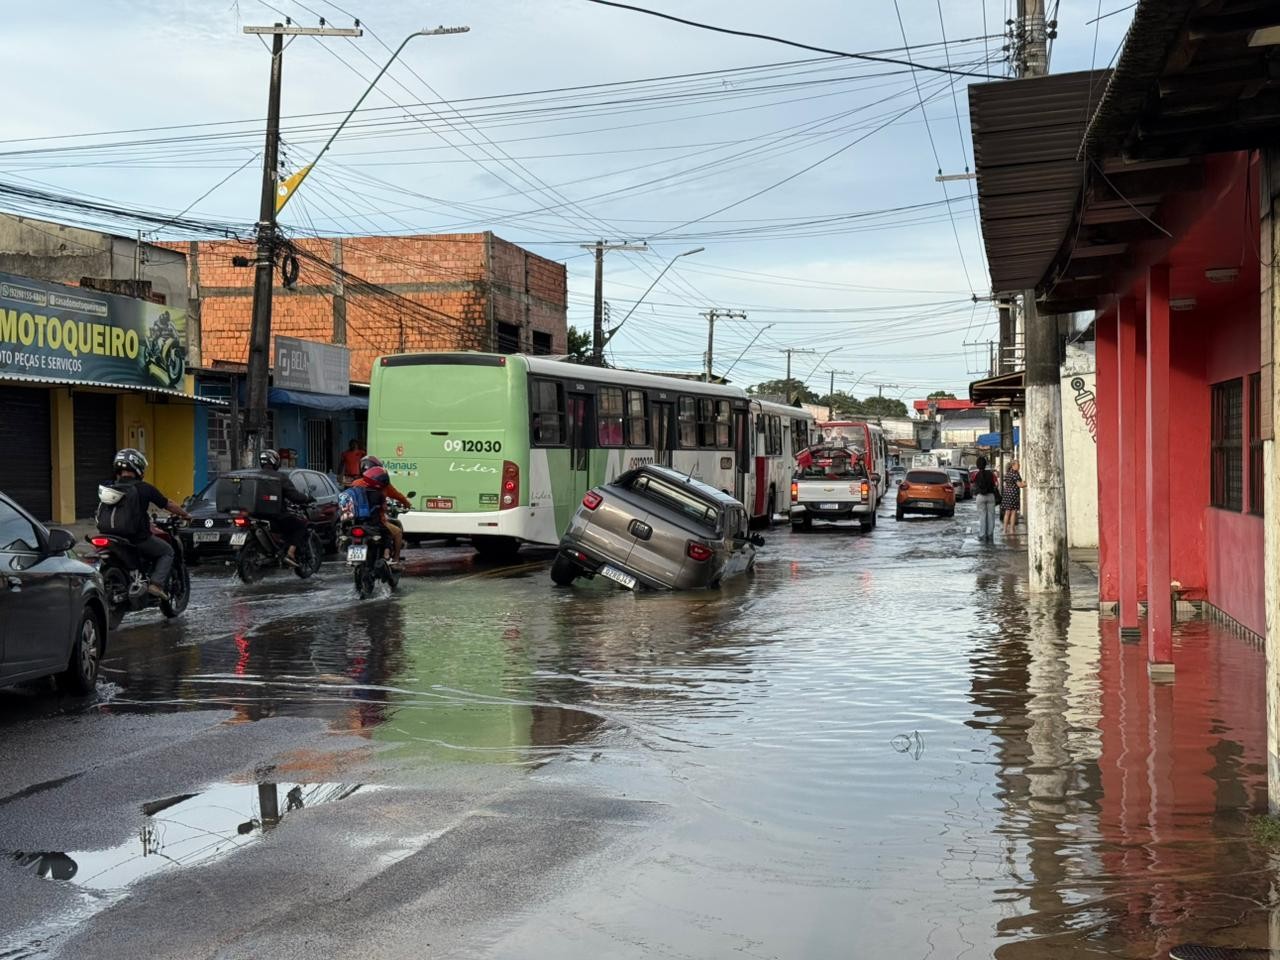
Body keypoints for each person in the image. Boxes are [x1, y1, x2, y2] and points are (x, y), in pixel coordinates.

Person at [98, 448, 193, 598]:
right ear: (138, 468)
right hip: (136, 538)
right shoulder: (144, 488)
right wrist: (185, 514)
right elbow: (167, 504)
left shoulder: (109, 487)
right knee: (167, 551)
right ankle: (156, 584)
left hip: (108, 535)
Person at [258, 449, 315, 567]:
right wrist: (306, 498)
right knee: (300, 526)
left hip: (256, 515)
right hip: (276, 516)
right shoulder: (280, 477)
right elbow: (294, 496)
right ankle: (290, 553)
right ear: (275, 462)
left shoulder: (254, 477)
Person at [350, 465, 409, 566]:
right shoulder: (380, 491)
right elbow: (393, 499)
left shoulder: (356, 484)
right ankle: (393, 558)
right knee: (394, 532)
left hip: (356, 522)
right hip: (375, 522)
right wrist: (407, 504)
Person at [973, 455, 999, 543]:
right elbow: (996, 484)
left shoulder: (976, 475)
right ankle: (990, 535)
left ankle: (982, 535)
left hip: (980, 497)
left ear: (977, 465)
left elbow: (974, 486)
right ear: (985, 464)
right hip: (991, 496)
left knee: (982, 516)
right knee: (991, 516)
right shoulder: (991, 474)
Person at [1002, 458, 1026, 534]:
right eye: (1018, 464)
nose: (1019, 466)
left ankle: (1005, 529)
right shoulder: (1015, 473)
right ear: (1013, 465)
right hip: (1013, 495)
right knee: (1013, 512)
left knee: (1007, 512)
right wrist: (1026, 484)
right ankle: (1012, 529)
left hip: (1007, 495)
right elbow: (1020, 485)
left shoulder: (1008, 473)